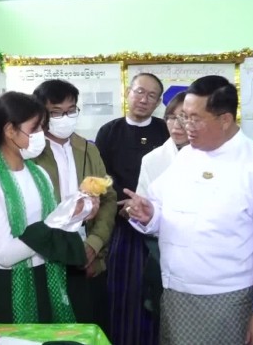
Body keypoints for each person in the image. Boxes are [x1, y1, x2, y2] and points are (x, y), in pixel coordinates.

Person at [124, 75, 253, 345]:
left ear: (225, 119)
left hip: (229, 297)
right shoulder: (186, 157)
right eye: (183, 117)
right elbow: (161, 209)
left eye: (195, 118)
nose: (186, 126)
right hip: (176, 291)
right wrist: (149, 214)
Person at [0, 91, 100, 324]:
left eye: (42, 128)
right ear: (10, 130)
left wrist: (78, 214)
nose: (41, 136)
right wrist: (56, 221)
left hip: (45, 277)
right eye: (34, 129)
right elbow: (5, 254)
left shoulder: (38, 174)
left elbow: (53, 228)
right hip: (4, 286)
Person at [31, 79, 117, 331]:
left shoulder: (88, 149)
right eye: (56, 112)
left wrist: (94, 245)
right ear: (42, 115)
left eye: (71, 111)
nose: (65, 118)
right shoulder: (31, 153)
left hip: (88, 260)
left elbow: (108, 200)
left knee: (89, 329)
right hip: (45, 260)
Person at [96, 73, 169, 345]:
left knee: (153, 291)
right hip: (120, 224)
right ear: (128, 92)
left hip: (157, 225)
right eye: (139, 92)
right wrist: (123, 205)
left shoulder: (165, 130)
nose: (143, 99)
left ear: (158, 103)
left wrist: (144, 207)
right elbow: (102, 176)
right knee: (122, 292)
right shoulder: (109, 131)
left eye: (151, 96)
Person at [136, 90, 188, 315]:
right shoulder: (152, 159)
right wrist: (140, 213)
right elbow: (142, 210)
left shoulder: (213, 157)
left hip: (205, 255)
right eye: (171, 117)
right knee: (165, 317)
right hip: (162, 249)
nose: (177, 125)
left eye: (184, 117)